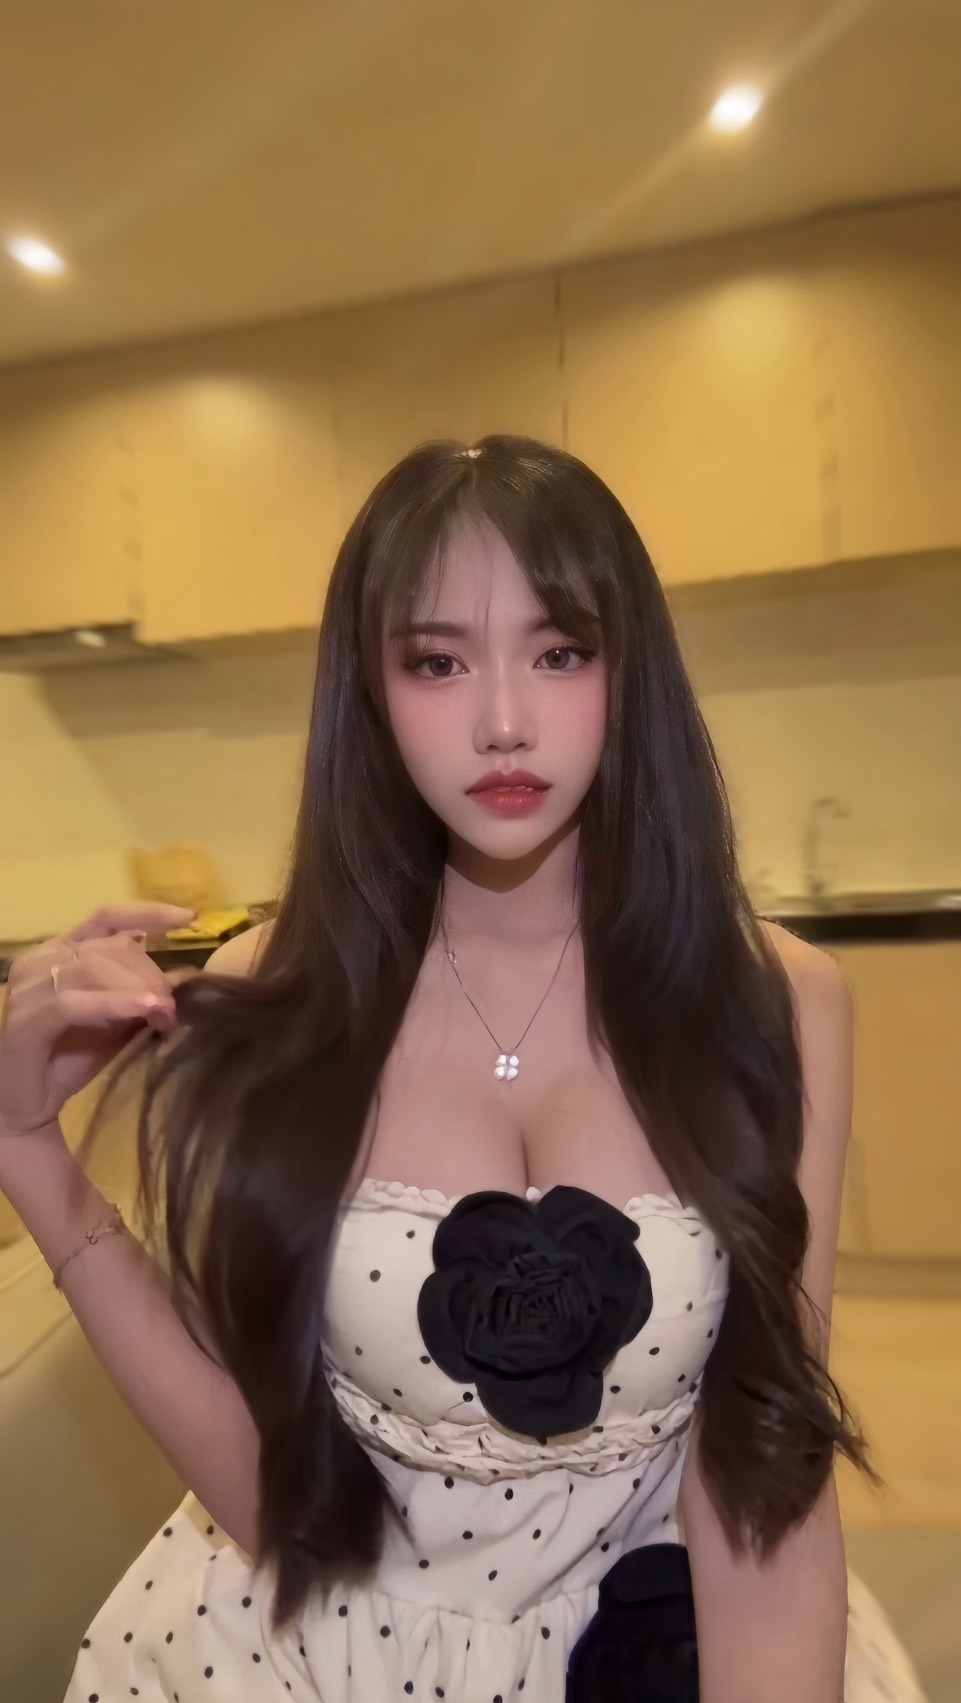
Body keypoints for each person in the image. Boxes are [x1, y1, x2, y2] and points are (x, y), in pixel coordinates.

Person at [0, 436, 927, 1702]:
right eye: (437, 661)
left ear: (630, 670)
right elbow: (277, 1499)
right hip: (315, 1651)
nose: (502, 720)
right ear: (370, 691)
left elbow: (766, 1469)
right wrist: (25, 1149)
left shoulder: (778, 1000)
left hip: (650, 1644)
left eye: (560, 651)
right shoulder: (281, 986)